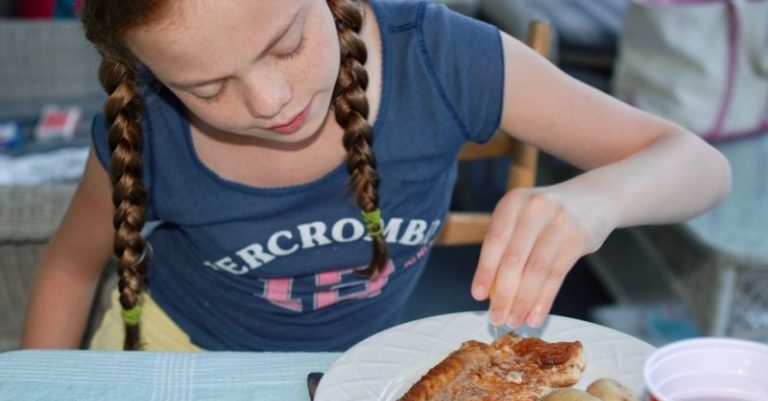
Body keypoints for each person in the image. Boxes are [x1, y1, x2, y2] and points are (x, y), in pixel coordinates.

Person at [21, 0, 731, 352]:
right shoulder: (144, 132)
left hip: (355, 369)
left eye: (288, 42)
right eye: (207, 90)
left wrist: (596, 198)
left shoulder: (442, 60)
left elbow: (700, 165)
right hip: (173, 360)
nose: (270, 103)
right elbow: (69, 270)